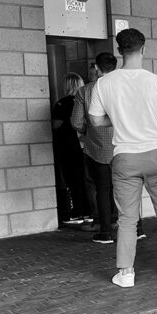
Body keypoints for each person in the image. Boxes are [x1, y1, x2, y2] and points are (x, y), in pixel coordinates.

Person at [89, 28, 157, 288]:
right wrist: (154, 118)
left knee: (128, 218)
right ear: (144, 49)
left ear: (119, 51)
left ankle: (126, 272)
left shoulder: (104, 83)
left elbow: (95, 121)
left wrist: (118, 119)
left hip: (125, 158)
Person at [71, 53, 119, 243]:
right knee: (126, 189)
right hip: (123, 147)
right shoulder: (124, 88)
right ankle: (137, 229)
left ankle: (105, 232)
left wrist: (87, 129)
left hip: (97, 149)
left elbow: (75, 121)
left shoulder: (85, 91)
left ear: (97, 69)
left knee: (102, 189)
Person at [53, 72, 90, 222]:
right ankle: (89, 212)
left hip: (68, 147)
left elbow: (56, 124)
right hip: (86, 145)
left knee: (72, 179)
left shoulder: (63, 103)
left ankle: (77, 212)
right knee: (86, 179)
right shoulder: (87, 101)